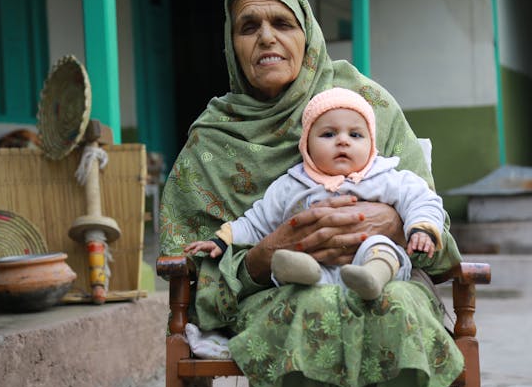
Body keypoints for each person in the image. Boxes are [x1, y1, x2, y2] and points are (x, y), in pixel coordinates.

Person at [159, 0, 464, 387]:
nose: (267, 38)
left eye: (283, 23)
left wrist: (396, 226)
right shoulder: (212, 143)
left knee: (396, 306)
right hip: (279, 290)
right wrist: (263, 256)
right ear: (232, 46)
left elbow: (431, 221)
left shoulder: (367, 105)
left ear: (309, 37)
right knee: (310, 306)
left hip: (385, 272)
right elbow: (189, 266)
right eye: (248, 28)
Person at [184, 87, 445, 301]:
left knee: (380, 247)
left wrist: (421, 228)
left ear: (371, 144)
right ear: (306, 144)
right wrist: (223, 239)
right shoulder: (292, 185)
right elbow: (256, 222)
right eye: (329, 134)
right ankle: (301, 273)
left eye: (355, 134)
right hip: (316, 274)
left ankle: (372, 277)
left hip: (370, 262)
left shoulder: (386, 177)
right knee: (296, 261)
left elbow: (421, 199)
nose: (343, 141)